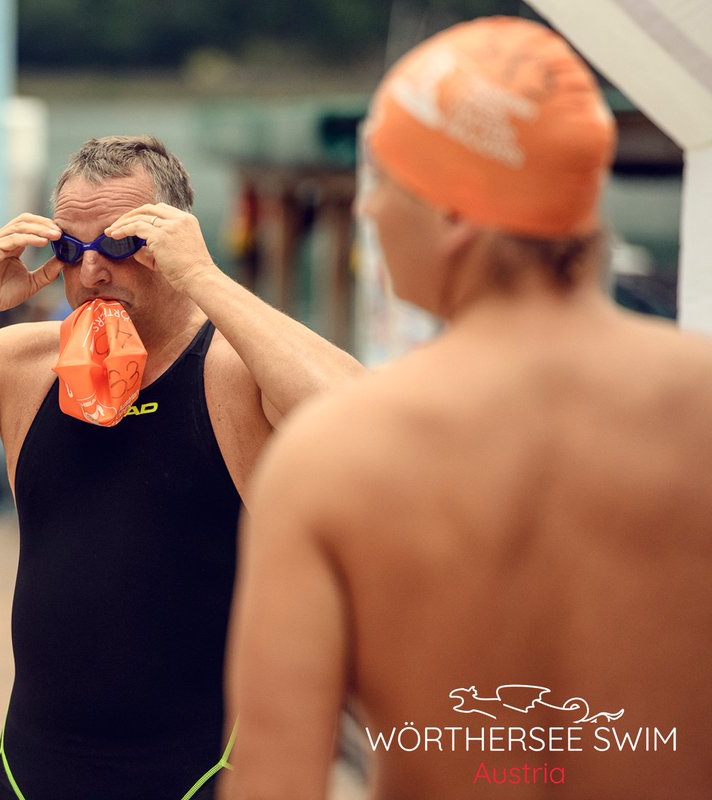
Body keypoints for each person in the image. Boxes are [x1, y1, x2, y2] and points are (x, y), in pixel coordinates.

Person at [223, 16, 712, 800]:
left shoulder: (334, 459)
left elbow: (274, 783)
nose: (370, 212)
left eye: (382, 181)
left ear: (457, 217)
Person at [0, 134, 363, 798]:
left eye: (121, 245)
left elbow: (367, 428)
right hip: (35, 770)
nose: (92, 272)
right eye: (71, 248)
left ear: (178, 240)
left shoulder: (235, 369)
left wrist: (206, 278)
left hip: (203, 770)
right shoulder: (22, 367)